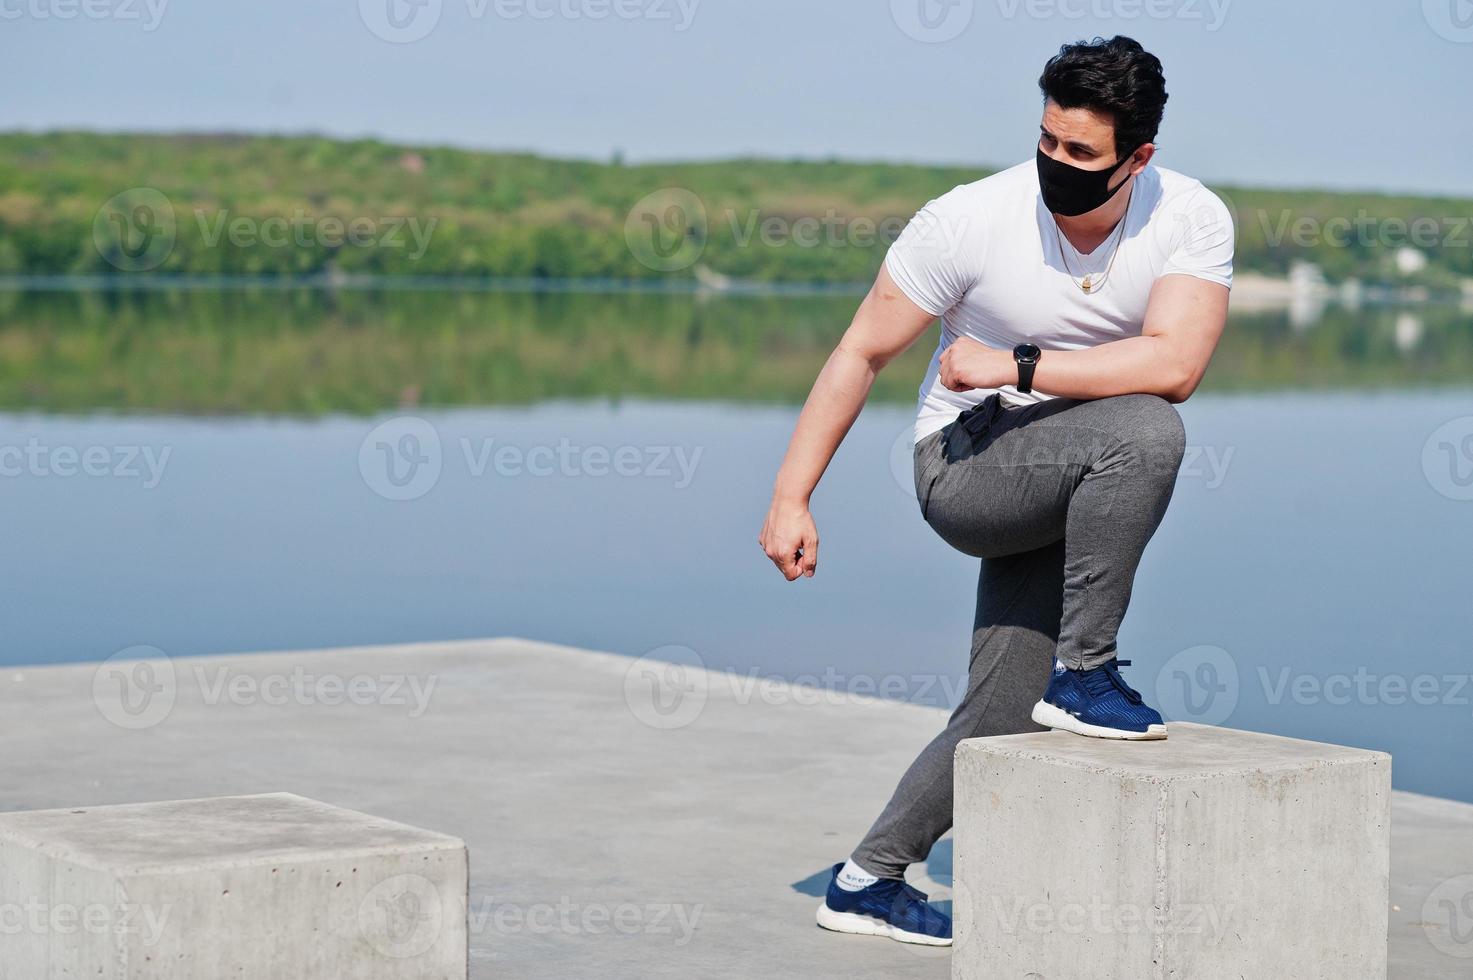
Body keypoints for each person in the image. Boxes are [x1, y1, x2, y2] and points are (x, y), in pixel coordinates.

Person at [757, 36, 1233, 947]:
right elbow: (859, 352)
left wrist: (1016, 362)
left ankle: (866, 879)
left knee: (1001, 715)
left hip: (1073, 466)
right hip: (967, 466)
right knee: (1143, 432)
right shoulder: (968, 220)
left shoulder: (1189, 218)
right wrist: (790, 497)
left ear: (1138, 158)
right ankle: (1085, 671)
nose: (1057, 164)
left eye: (1082, 154)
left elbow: (1176, 361)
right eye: (1048, 141)